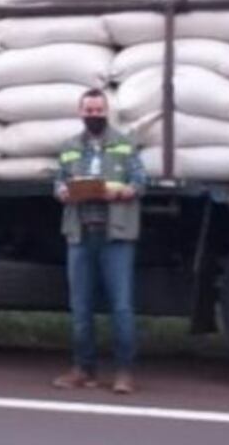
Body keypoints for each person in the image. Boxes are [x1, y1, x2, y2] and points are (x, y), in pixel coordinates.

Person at [52, 88, 147, 394]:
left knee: (121, 306)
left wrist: (118, 192)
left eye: (97, 110)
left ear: (107, 111)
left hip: (115, 234)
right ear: (80, 112)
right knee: (80, 307)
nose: (93, 115)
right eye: (88, 110)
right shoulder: (69, 147)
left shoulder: (124, 144)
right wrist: (63, 191)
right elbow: (58, 181)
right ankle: (83, 369)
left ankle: (124, 372)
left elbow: (141, 182)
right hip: (80, 234)